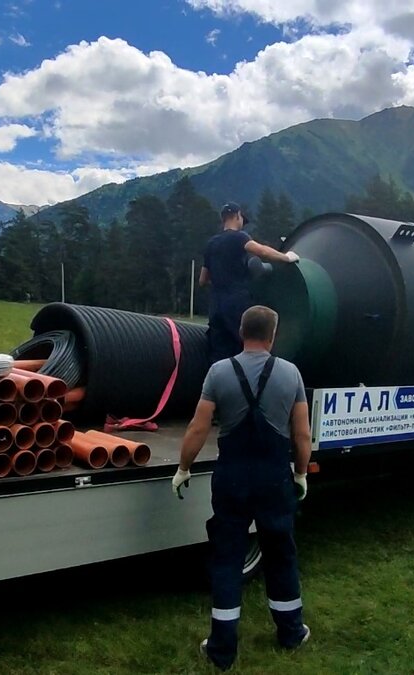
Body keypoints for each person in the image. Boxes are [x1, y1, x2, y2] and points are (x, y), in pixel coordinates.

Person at [172, 305, 312, 671]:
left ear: (240, 331)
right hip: (274, 476)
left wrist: (183, 467)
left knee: (227, 557)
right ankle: (291, 633)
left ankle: (222, 649)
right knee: (280, 552)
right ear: (273, 334)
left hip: (232, 476)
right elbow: (301, 434)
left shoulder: (219, 371)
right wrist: (300, 473)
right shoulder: (290, 373)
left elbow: (198, 428)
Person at [201, 202, 299, 363]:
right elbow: (262, 251)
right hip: (236, 305)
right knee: (248, 349)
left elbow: (202, 280)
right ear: (238, 215)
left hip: (216, 308)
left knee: (219, 355)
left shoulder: (211, 243)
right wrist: (286, 257)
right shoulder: (239, 237)